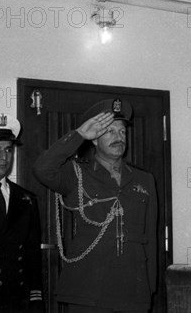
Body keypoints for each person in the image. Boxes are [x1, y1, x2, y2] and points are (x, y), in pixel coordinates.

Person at [32, 99, 157, 312]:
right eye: (109, 131)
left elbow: (151, 237)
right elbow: (42, 169)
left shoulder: (144, 179)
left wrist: (148, 287)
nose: (118, 138)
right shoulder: (77, 173)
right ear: (94, 139)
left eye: (122, 132)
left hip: (133, 289)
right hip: (88, 288)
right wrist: (78, 135)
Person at [0, 114, 44, 312]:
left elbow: (32, 256)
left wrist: (36, 301)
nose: (4, 157)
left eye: (8, 150)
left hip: (17, 302)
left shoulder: (26, 199)